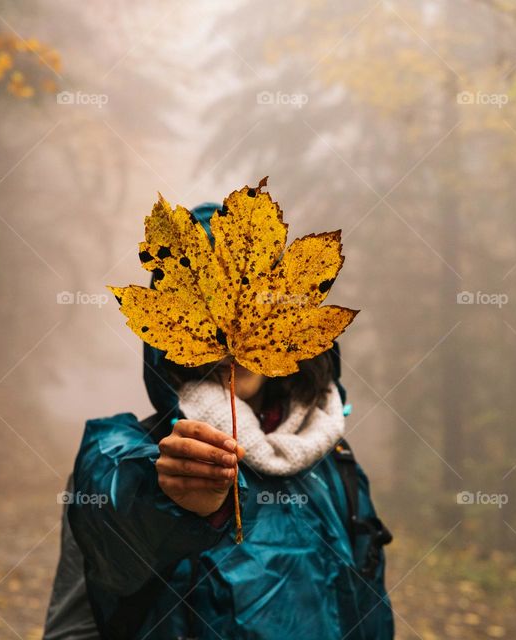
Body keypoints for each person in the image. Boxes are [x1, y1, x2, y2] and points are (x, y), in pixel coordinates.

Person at [44, 203, 393, 639]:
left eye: (254, 306)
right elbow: (112, 531)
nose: (229, 335)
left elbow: (368, 615)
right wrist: (175, 501)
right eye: (205, 311)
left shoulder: (336, 465)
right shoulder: (130, 457)